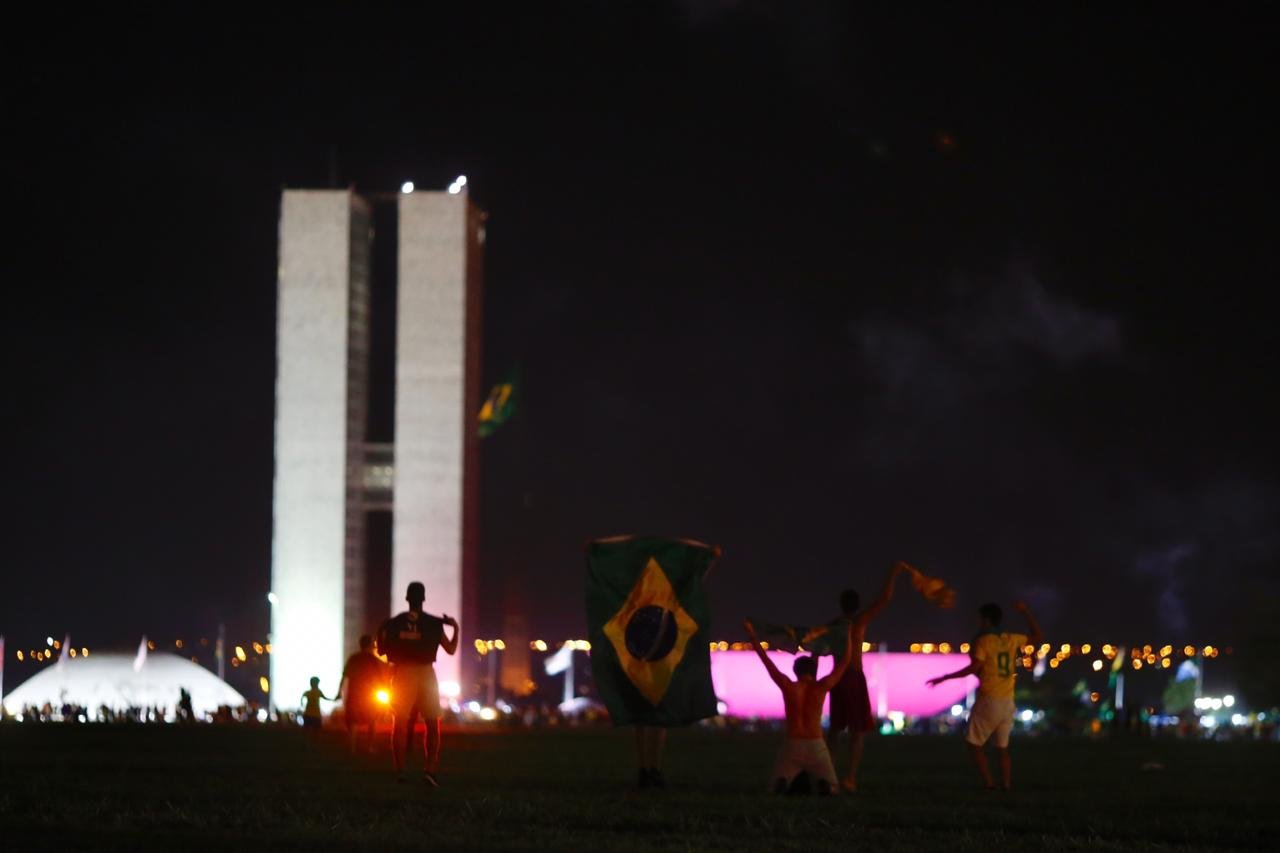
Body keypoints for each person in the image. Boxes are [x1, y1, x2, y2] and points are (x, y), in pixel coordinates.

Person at [926, 601, 1043, 789]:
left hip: (990, 698)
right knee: (1002, 749)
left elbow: (974, 667)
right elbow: (1038, 636)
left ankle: (989, 783)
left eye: (979, 617)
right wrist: (1025, 612)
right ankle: (1005, 784)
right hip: (1007, 701)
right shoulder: (1010, 638)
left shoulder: (983, 641)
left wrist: (944, 677)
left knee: (973, 743)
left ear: (986, 619)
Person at [745, 617, 854, 795]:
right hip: (816, 744)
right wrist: (849, 635)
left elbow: (766, 661)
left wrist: (751, 634)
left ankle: (783, 782)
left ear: (796, 672)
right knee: (833, 789)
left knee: (774, 788)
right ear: (813, 671)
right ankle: (824, 784)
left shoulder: (789, 686)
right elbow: (845, 662)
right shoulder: (821, 687)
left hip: (792, 744)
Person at [826, 561, 909, 791]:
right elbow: (885, 599)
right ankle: (850, 778)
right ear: (858, 605)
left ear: (840, 604)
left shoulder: (832, 626)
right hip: (853, 677)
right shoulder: (860, 621)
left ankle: (830, 775)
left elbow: (815, 649)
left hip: (836, 678)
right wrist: (893, 572)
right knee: (857, 732)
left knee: (834, 731)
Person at [377, 581, 459, 786]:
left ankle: (400, 771)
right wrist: (455, 628)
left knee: (400, 723)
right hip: (425, 672)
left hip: (402, 672)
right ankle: (430, 770)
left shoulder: (394, 623)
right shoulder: (434, 623)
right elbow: (450, 649)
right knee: (432, 723)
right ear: (423, 599)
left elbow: (381, 650)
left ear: (407, 598)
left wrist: (383, 630)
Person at [338, 634, 386, 755]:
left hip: (354, 694)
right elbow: (381, 679)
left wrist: (339, 692)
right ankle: (369, 747)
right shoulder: (373, 660)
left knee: (353, 722)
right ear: (370, 645)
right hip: (369, 695)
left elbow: (344, 676)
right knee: (371, 721)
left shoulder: (353, 658)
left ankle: (352, 748)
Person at [300, 676, 332, 744]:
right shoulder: (318, 692)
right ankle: (315, 746)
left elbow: (302, 696)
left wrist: (302, 703)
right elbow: (325, 698)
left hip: (308, 714)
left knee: (307, 732)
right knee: (317, 732)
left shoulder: (309, 692)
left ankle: (307, 745)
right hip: (316, 715)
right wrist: (334, 699)